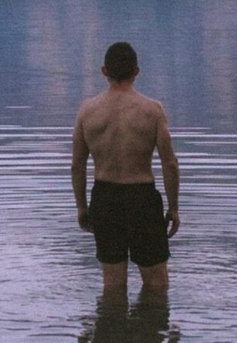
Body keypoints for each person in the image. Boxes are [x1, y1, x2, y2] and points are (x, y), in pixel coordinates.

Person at [71, 41, 180, 295]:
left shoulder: (87, 112)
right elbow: (170, 164)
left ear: (104, 71)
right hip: (142, 198)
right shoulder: (152, 111)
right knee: (157, 284)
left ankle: (111, 330)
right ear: (137, 71)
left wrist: (82, 207)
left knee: (113, 285)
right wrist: (173, 207)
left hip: (105, 199)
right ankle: (153, 330)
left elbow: (77, 165)